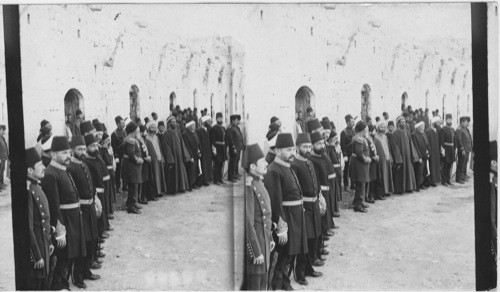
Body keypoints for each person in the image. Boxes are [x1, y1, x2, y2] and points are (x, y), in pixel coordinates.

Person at [41, 136, 87, 289]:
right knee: (62, 257)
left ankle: (64, 282)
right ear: (53, 155)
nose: (68, 156)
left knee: (70, 254)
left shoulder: (63, 169)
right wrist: (59, 230)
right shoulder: (50, 174)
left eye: (69, 152)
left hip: (72, 218)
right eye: (64, 153)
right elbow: (53, 205)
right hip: (63, 221)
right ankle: (58, 286)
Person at [264, 133, 307, 289]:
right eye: (288, 150)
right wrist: (281, 227)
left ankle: (285, 283)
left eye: (293, 150)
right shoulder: (274, 170)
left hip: (294, 217)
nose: (292, 154)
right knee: (280, 257)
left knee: (289, 255)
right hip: (284, 220)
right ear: (278, 151)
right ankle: (274, 286)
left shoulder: (287, 166)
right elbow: (275, 202)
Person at [67, 136, 102, 281]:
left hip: (90, 208)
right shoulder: (71, 168)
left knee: (91, 240)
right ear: (72, 150)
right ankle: (78, 276)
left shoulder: (84, 164)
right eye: (79, 149)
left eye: (83, 149)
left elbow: (91, 186)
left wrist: (95, 201)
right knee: (83, 244)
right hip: (81, 210)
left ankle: (86, 271)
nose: (82, 152)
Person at [291, 133, 323, 284]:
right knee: (304, 242)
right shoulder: (295, 165)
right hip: (303, 207)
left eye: (309, 146)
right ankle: (300, 273)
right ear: (297, 148)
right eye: (305, 147)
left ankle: (309, 268)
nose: (308, 149)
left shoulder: (309, 162)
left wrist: (320, 198)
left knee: (313, 238)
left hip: (314, 205)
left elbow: (315, 183)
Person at [243, 143, 274, 290]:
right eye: (263, 162)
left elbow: (266, 214)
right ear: (253, 167)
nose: (267, 163)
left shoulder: (259, 181)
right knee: (256, 285)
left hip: (264, 240)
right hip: (257, 244)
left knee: (264, 282)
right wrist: (255, 251)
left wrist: (270, 238)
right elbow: (249, 223)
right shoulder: (249, 186)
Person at [25, 147, 54, 290]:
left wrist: (48, 242)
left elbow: (44, 221)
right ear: (30, 170)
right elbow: (28, 227)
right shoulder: (28, 191)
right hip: (37, 249)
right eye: (40, 165)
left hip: (43, 244)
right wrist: (36, 255)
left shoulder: (37, 186)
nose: (44, 167)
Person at [162, 116, 191, 194]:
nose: (175, 123)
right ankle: (173, 190)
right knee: (173, 173)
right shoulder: (165, 134)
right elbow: (166, 148)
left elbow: (182, 143)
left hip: (180, 156)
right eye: (173, 122)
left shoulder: (178, 132)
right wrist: (170, 159)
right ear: (168, 124)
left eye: (175, 122)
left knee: (181, 171)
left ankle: (181, 187)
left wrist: (185, 155)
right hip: (173, 157)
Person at [389, 116, 418, 194]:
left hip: (408, 156)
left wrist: (413, 155)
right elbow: (394, 148)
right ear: (398, 123)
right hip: (401, 158)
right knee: (401, 173)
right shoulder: (394, 134)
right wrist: (398, 159)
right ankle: (400, 189)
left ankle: (409, 187)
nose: (404, 123)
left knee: (409, 171)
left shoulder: (407, 132)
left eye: (404, 122)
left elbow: (411, 144)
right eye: (402, 122)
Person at [121, 122, 144, 214]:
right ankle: (131, 206)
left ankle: (133, 202)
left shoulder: (133, 138)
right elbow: (131, 154)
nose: (138, 131)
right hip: (132, 166)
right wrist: (138, 160)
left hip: (133, 166)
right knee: (133, 185)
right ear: (134, 131)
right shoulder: (130, 139)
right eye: (137, 130)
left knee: (135, 184)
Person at [349, 121, 371, 213]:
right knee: (360, 184)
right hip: (359, 164)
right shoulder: (359, 139)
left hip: (359, 164)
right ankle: (358, 205)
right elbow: (359, 153)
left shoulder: (360, 138)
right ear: (362, 129)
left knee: (361, 183)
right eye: (365, 129)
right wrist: (366, 159)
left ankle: (359, 201)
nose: (366, 130)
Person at [145, 122, 167, 196]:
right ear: (148, 128)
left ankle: (160, 191)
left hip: (158, 157)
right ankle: (154, 192)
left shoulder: (156, 137)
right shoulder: (146, 138)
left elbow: (159, 148)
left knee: (159, 175)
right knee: (154, 175)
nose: (153, 129)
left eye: (154, 127)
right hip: (152, 159)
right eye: (152, 127)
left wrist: (161, 157)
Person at [374, 121, 394, 198]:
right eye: (381, 127)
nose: (382, 129)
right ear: (377, 128)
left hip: (387, 157)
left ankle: (386, 190)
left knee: (387, 174)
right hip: (380, 159)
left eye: (383, 127)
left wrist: (390, 157)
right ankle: (380, 192)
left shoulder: (385, 137)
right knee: (381, 175)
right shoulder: (375, 138)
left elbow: (388, 147)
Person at [139, 125, 157, 202]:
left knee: (150, 178)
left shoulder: (146, 141)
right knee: (144, 180)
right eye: (145, 131)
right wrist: (145, 158)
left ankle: (150, 194)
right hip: (143, 163)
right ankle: (144, 196)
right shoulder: (139, 141)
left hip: (148, 162)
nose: (146, 133)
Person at [182, 121, 201, 191]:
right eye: (193, 126)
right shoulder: (185, 134)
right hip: (190, 156)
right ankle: (189, 185)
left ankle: (194, 184)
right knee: (190, 171)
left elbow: (197, 143)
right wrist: (190, 157)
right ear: (189, 127)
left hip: (196, 155)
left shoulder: (194, 133)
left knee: (195, 170)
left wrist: (199, 151)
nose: (194, 127)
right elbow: (186, 146)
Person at [411, 121, 430, 190]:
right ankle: (418, 186)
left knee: (424, 170)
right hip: (419, 157)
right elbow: (415, 146)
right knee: (418, 171)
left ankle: (422, 184)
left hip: (425, 155)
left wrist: (428, 152)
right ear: (418, 127)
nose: (424, 127)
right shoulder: (414, 135)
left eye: (424, 126)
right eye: (422, 126)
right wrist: (419, 157)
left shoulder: (423, 134)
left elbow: (427, 143)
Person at [226, 114, 244, 183]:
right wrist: (233, 148)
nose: (237, 122)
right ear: (232, 121)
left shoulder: (236, 127)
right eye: (236, 121)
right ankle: (231, 177)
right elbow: (230, 139)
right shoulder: (230, 128)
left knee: (236, 161)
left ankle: (235, 174)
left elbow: (240, 136)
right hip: (234, 149)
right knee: (232, 163)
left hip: (238, 147)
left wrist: (242, 145)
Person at [210, 112, 227, 185]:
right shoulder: (214, 128)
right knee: (216, 164)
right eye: (219, 118)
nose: (220, 120)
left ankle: (220, 178)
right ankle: (216, 179)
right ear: (216, 119)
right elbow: (213, 141)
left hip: (222, 148)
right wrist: (214, 150)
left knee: (221, 164)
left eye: (221, 118)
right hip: (217, 148)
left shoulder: (223, 128)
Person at [440, 114, 456, 186]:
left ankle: (448, 179)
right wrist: (443, 151)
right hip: (446, 149)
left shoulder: (453, 129)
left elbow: (454, 141)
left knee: (450, 166)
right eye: (448, 119)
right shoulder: (443, 129)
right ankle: (444, 181)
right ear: (445, 120)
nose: (449, 120)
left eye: (450, 119)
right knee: (445, 166)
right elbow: (442, 141)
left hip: (452, 150)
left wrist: (455, 150)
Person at [197, 115, 214, 186]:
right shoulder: (200, 130)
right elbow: (199, 141)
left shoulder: (207, 130)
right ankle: (204, 180)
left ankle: (208, 178)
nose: (209, 123)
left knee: (208, 165)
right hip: (203, 151)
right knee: (204, 165)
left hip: (208, 150)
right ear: (204, 122)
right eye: (208, 121)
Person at [111, 116, 126, 193]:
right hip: (118, 155)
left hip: (125, 154)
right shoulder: (114, 134)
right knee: (118, 171)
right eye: (122, 123)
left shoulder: (124, 132)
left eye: (124, 122)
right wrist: (116, 156)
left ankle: (125, 186)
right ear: (118, 124)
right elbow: (114, 146)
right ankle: (118, 186)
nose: (124, 124)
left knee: (125, 170)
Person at [455, 116, 473, 183]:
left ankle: (463, 175)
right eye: (465, 122)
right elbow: (459, 140)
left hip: (467, 150)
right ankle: (459, 178)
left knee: (465, 163)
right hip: (463, 150)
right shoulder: (459, 129)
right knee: (461, 164)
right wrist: (462, 149)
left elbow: (469, 138)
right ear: (462, 122)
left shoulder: (465, 129)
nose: (467, 123)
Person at [341, 114, 355, 192]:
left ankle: (353, 185)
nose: (353, 123)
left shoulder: (354, 131)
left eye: (354, 121)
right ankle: (346, 185)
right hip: (347, 153)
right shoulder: (343, 132)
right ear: (347, 122)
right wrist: (344, 155)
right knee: (346, 169)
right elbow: (342, 145)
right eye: (352, 121)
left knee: (353, 169)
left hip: (353, 153)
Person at [366, 125, 380, 203]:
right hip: (370, 161)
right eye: (373, 131)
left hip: (374, 161)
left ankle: (372, 194)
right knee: (370, 179)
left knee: (374, 178)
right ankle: (368, 196)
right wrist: (373, 157)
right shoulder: (368, 139)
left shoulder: (372, 139)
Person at [0, 125, 8, 190]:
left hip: (3, 158)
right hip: (0, 158)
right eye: (3, 130)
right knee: (0, 171)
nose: (4, 132)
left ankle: (2, 183)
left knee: (2, 171)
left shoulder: (2, 138)